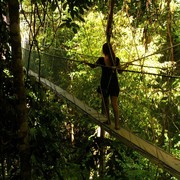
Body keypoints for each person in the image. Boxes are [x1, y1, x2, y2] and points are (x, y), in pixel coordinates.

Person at [85, 42, 129, 130]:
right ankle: (116, 125)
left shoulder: (101, 60)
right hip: (114, 84)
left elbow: (93, 66)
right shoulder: (116, 60)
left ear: (104, 50)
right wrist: (125, 66)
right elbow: (120, 71)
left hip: (105, 84)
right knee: (114, 104)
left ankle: (109, 120)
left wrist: (86, 62)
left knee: (106, 103)